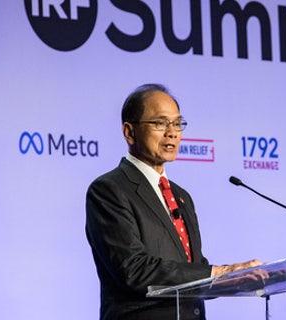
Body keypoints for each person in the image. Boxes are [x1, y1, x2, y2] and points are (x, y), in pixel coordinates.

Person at [85, 83, 262, 320]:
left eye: (177, 123)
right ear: (129, 132)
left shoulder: (181, 197)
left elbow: (192, 268)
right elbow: (134, 270)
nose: (172, 132)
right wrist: (219, 273)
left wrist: (237, 278)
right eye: (159, 123)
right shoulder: (109, 190)